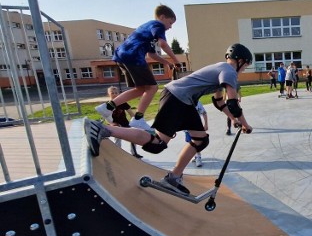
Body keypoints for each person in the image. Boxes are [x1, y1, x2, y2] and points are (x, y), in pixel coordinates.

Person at [85, 43, 253, 195]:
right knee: (157, 143)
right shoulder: (229, 71)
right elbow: (232, 104)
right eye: (245, 66)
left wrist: (233, 119)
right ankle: (103, 129)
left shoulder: (222, 69)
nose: (244, 69)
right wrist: (245, 124)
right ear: (240, 60)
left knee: (201, 140)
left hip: (184, 101)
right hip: (177, 98)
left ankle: (173, 178)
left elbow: (219, 101)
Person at [94, 5, 181, 131]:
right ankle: (138, 119)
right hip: (133, 57)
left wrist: (167, 63)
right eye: (170, 22)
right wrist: (176, 60)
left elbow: (152, 54)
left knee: (141, 89)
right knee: (152, 88)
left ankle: (107, 107)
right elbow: (163, 44)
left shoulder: (147, 29)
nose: (170, 27)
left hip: (122, 56)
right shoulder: (158, 25)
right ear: (162, 17)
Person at [106, 86, 142, 159]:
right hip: (115, 124)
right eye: (112, 93)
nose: (114, 94)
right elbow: (106, 117)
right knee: (118, 139)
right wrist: (112, 124)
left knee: (133, 137)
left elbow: (131, 113)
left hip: (125, 123)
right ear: (108, 94)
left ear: (119, 93)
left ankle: (134, 153)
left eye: (116, 93)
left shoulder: (123, 103)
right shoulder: (107, 105)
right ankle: (118, 155)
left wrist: (136, 121)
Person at [186, 100, 208, 167]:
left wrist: (206, 124)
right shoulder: (183, 101)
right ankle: (196, 155)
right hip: (187, 129)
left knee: (196, 143)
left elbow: (204, 113)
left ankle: (198, 157)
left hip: (196, 127)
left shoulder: (197, 102)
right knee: (190, 143)